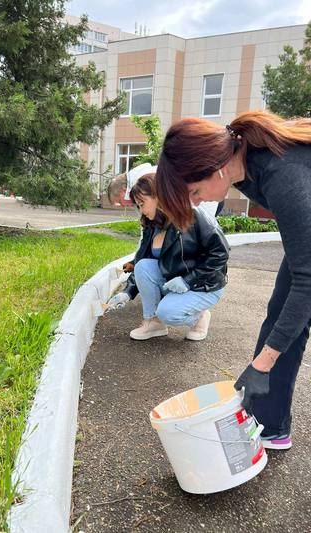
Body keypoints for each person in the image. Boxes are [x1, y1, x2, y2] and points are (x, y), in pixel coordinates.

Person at [155, 110, 311, 450]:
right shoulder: (242, 168)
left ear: (215, 167)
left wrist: (261, 363)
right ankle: (270, 426)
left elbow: (308, 282)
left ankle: (267, 408)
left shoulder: (282, 172)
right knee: (281, 315)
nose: (197, 202)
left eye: (195, 192)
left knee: (294, 305)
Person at [108, 173, 229, 341]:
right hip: (175, 279)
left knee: (167, 312)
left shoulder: (193, 216)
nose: (141, 210)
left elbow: (220, 254)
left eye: (142, 204)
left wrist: (188, 280)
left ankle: (199, 318)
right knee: (143, 265)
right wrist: (128, 292)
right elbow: (142, 262)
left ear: (159, 196)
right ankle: (153, 323)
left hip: (204, 285)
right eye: (138, 205)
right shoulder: (152, 223)